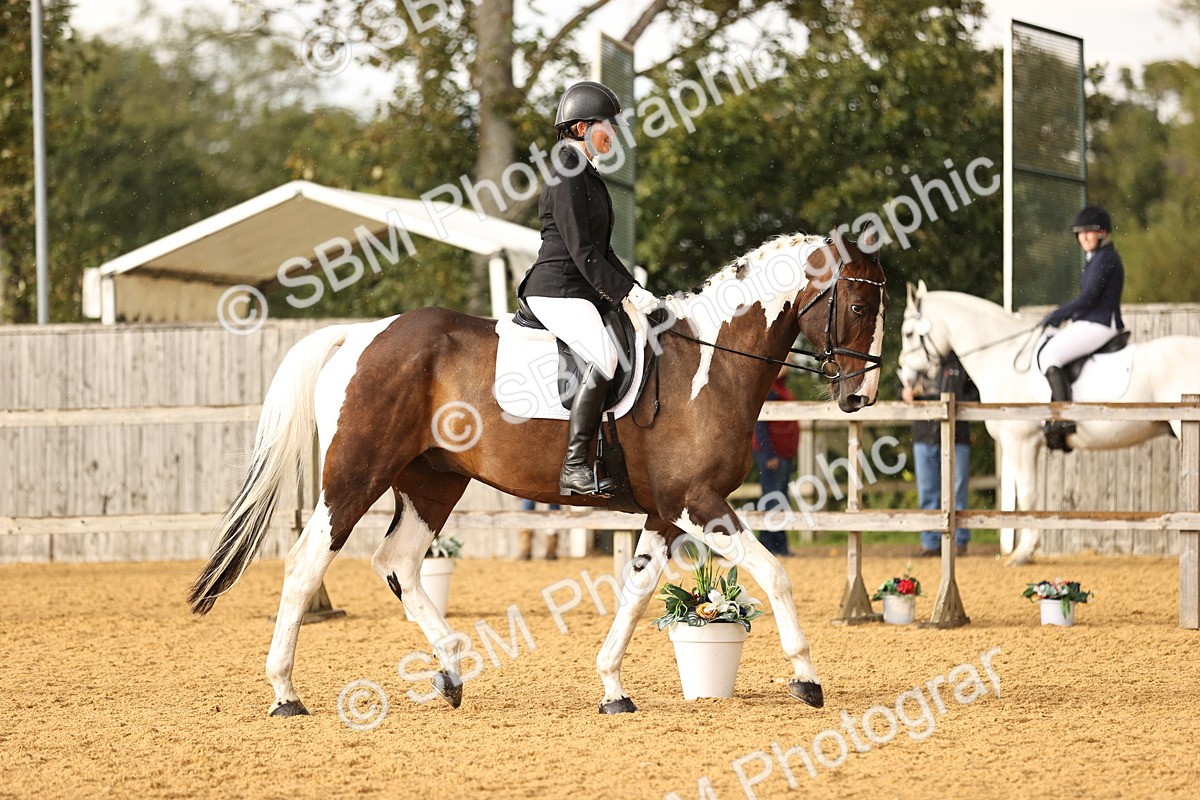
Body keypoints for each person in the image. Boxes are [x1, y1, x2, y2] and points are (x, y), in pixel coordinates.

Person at [517, 80, 659, 497]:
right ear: (581, 128)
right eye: (607, 126)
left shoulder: (585, 171)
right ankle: (575, 466)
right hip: (556, 288)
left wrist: (634, 290)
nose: (613, 133)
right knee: (605, 354)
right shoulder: (567, 170)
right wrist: (623, 293)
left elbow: (603, 250)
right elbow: (581, 250)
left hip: (577, 288)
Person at [1038, 205, 1125, 449]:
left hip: (1101, 322)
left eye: (1089, 232)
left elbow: (1089, 297)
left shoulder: (1106, 258)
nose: (1083, 237)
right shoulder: (1095, 259)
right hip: (1091, 319)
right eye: (1080, 233)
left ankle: (1064, 419)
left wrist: (1059, 313)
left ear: (1102, 233)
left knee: (1049, 355)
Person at [901, 351, 979, 557]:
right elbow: (902, 387)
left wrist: (955, 401)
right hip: (924, 434)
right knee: (928, 491)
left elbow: (976, 393)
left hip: (957, 436)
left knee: (957, 491)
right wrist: (905, 393)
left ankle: (959, 541)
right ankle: (931, 543)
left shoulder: (961, 361)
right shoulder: (917, 360)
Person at [752, 365, 799, 556]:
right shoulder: (769, 390)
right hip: (773, 454)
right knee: (772, 498)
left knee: (781, 499)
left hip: (784, 454)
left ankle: (779, 544)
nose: (789, 364)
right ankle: (768, 543)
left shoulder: (781, 389)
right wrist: (769, 454)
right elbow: (760, 424)